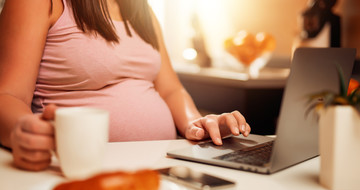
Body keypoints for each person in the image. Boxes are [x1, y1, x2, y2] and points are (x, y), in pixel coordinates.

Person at [0, 0, 251, 171]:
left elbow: (170, 89)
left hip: (162, 170)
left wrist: (194, 123)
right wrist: (19, 131)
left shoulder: (142, 10)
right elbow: (7, 95)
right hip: (79, 172)